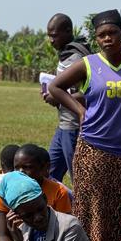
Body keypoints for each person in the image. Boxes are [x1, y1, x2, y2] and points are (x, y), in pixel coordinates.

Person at [48, 10, 121, 241]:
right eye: (102, 35)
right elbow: (55, 86)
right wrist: (79, 110)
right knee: (91, 210)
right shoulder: (88, 64)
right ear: (97, 39)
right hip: (94, 149)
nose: (108, 39)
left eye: (113, 33)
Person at [43, 14, 89, 182]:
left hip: (75, 126)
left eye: (54, 35)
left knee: (78, 178)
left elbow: (89, 92)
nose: (51, 40)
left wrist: (58, 97)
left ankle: (79, 208)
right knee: (48, 174)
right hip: (64, 125)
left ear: (68, 31)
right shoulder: (67, 53)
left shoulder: (77, 57)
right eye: (49, 35)